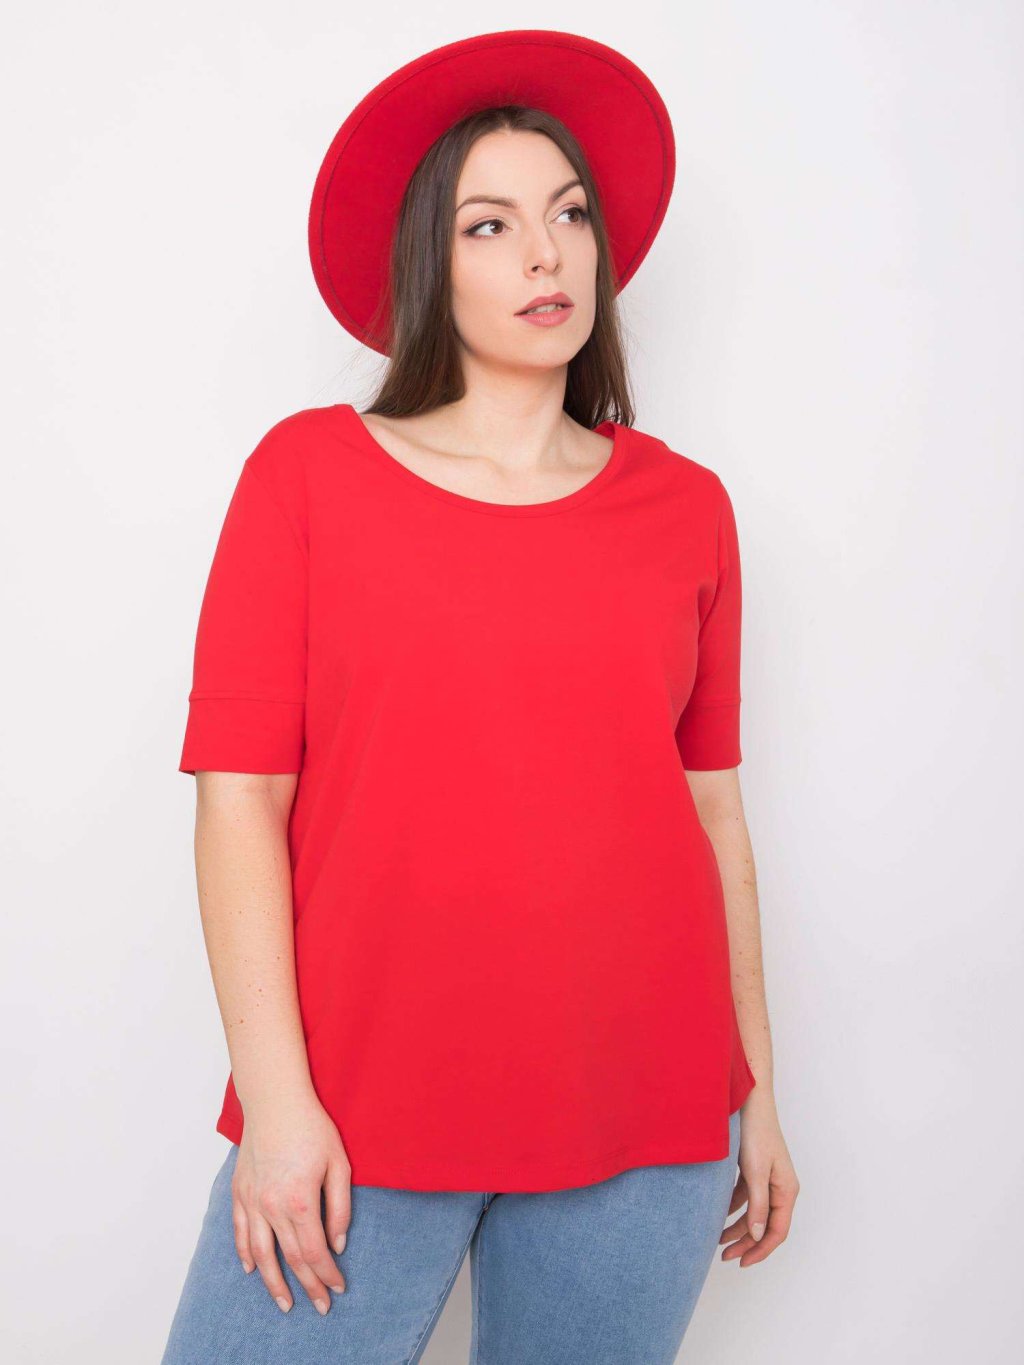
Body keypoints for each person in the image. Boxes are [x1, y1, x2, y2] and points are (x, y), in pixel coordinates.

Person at [161, 28, 799, 1365]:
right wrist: (277, 1109)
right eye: (490, 225)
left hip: (650, 1113)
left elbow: (713, 816)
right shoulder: (308, 477)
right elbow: (240, 803)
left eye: (569, 215)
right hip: (357, 1112)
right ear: (428, 262)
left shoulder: (687, 507)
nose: (546, 255)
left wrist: (758, 1089)